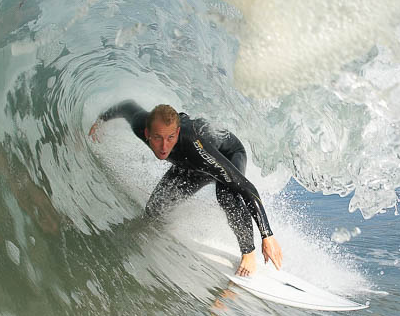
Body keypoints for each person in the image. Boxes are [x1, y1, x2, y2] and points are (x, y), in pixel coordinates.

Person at [88, 101, 282, 276]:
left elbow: (245, 187)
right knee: (154, 209)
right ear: (147, 134)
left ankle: (248, 252)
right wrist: (100, 121)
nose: (164, 146)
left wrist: (267, 235)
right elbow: (127, 106)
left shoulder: (196, 147)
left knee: (226, 194)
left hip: (225, 154)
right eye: (157, 138)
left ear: (178, 133)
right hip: (190, 165)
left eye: (170, 138)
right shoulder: (142, 125)